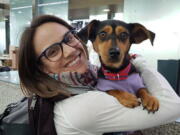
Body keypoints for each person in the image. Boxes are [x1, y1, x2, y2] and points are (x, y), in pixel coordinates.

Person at [18, 15, 180, 135]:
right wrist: (140, 61)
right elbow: (173, 106)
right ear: (40, 68)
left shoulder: (90, 78)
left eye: (68, 38)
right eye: (52, 52)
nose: (70, 51)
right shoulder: (78, 108)